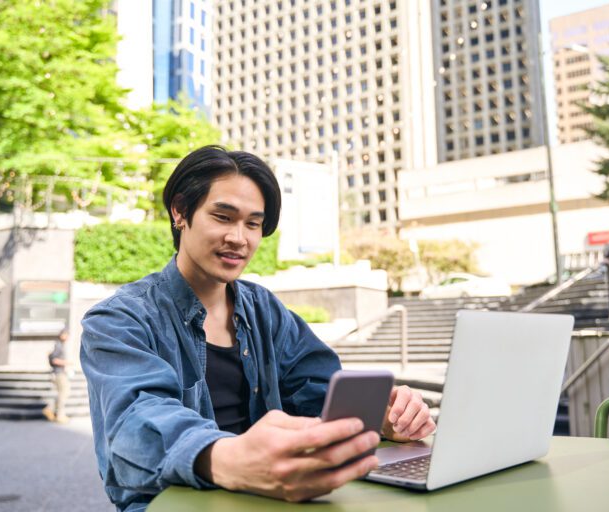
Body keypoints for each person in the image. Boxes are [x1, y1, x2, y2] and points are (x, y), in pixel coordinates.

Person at [80, 146, 436, 512]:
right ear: (180, 212)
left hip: (271, 495)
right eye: (223, 216)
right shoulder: (119, 320)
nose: (240, 238)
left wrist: (379, 416)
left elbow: (319, 391)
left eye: (253, 224)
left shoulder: (264, 309)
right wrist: (230, 459)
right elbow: (135, 424)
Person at [42, 328, 71, 423]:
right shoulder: (58, 345)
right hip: (58, 373)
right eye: (66, 334)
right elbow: (54, 360)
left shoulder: (60, 345)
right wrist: (66, 363)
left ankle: (50, 409)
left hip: (59, 372)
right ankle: (59, 415)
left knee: (62, 393)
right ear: (62, 335)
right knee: (64, 393)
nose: (67, 337)